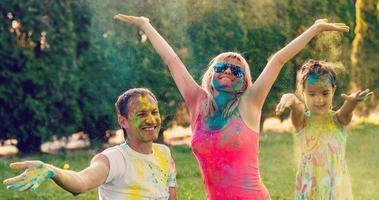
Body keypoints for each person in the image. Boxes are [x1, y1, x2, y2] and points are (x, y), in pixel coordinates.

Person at [114, 14, 349, 199]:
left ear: (244, 82)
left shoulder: (250, 102)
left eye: (236, 70)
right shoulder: (197, 102)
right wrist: (146, 25)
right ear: (212, 73)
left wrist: (315, 28)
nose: (227, 70)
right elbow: (172, 60)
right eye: (221, 67)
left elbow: (278, 60)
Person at [3, 88, 177, 200]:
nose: (151, 119)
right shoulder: (114, 158)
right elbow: (81, 181)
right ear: (122, 121)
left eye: (154, 112)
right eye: (141, 114)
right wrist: (51, 170)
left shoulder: (164, 154)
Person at [275, 60, 373, 199]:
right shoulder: (302, 122)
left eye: (325, 93)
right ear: (303, 93)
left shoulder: (338, 120)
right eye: (312, 94)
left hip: (337, 190)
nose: (319, 99)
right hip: (310, 190)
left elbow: (346, 112)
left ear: (333, 90)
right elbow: (297, 109)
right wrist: (290, 98)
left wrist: (351, 103)